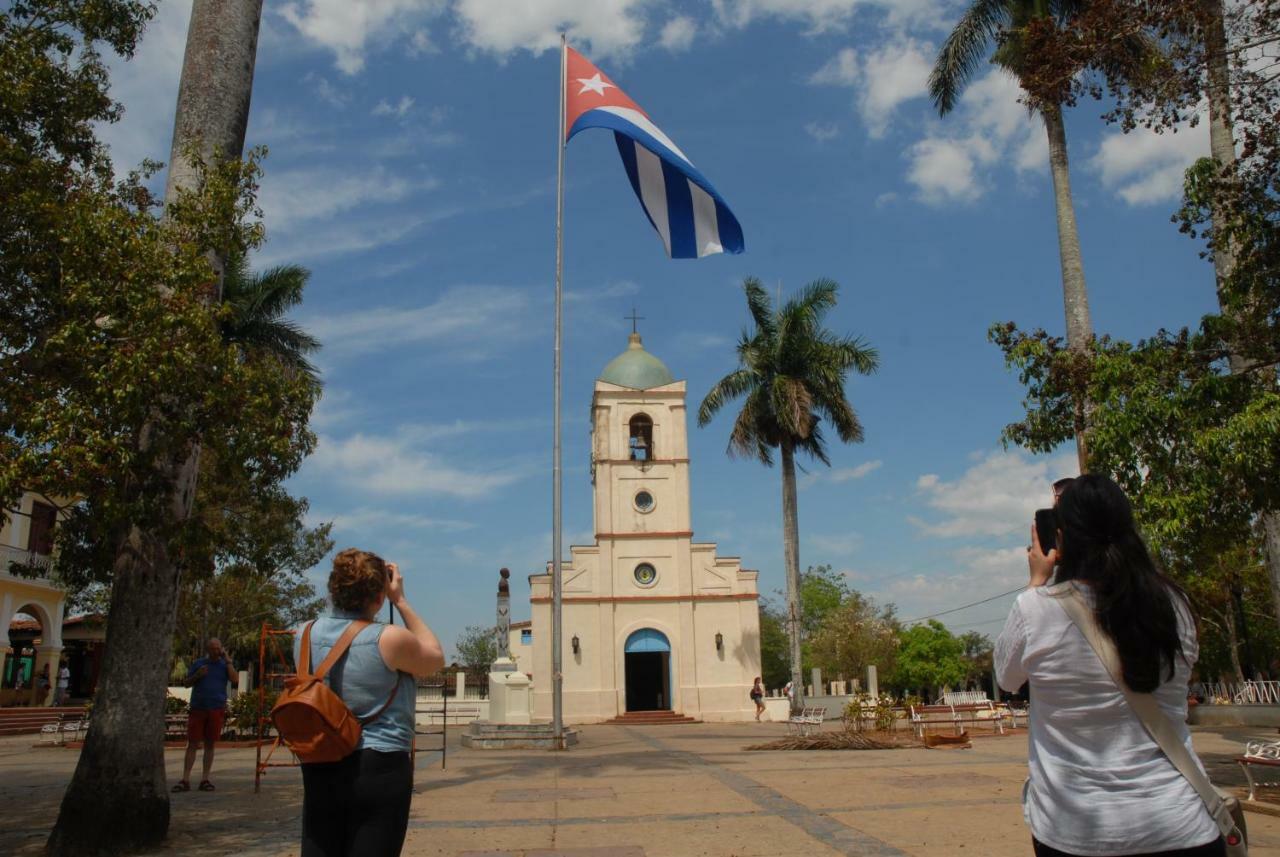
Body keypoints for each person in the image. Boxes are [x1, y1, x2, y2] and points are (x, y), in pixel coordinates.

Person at [995, 474, 1224, 857]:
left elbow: (1006, 678)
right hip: (1184, 826)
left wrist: (1036, 581)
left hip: (1078, 834)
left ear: (1063, 538)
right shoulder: (1174, 604)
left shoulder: (1036, 609)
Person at [295, 548, 444, 857]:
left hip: (320, 760)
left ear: (333, 589)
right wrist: (400, 600)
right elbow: (435, 658)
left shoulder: (303, 634)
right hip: (379, 763)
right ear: (378, 595)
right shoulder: (389, 639)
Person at [175, 638, 237, 793]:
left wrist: (228, 661)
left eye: (218, 648)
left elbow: (235, 679)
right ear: (208, 650)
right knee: (193, 743)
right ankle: (185, 778)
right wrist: (198, 675)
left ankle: (205, 778)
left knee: (210, 744)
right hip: (198, 708)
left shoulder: (224, 666)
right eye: (213, 649)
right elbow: (186, 683)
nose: (216, 651)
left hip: (216, 708)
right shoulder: (199, 664)